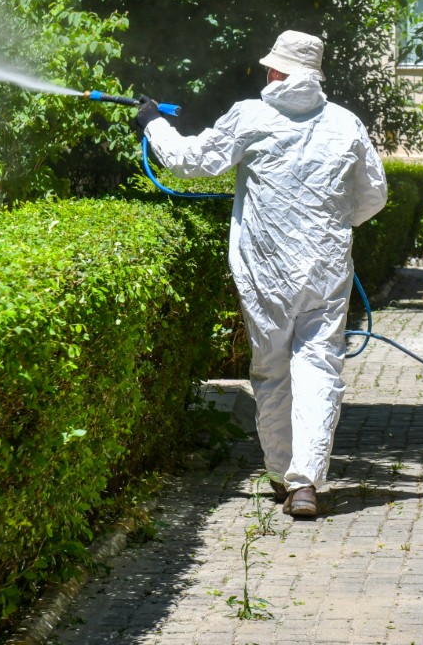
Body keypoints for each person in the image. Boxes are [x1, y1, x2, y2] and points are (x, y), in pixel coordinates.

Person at [138, 30, 388, 517]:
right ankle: (305, 483)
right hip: (326, 270)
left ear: (276, 71)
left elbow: (190, 161)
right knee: (319, 369)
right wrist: (335, 223)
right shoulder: (345, 123)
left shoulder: (250, 116)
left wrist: (153, 124)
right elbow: (374, 195)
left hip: (265, 272)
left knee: (272, 371)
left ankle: (280, 474)